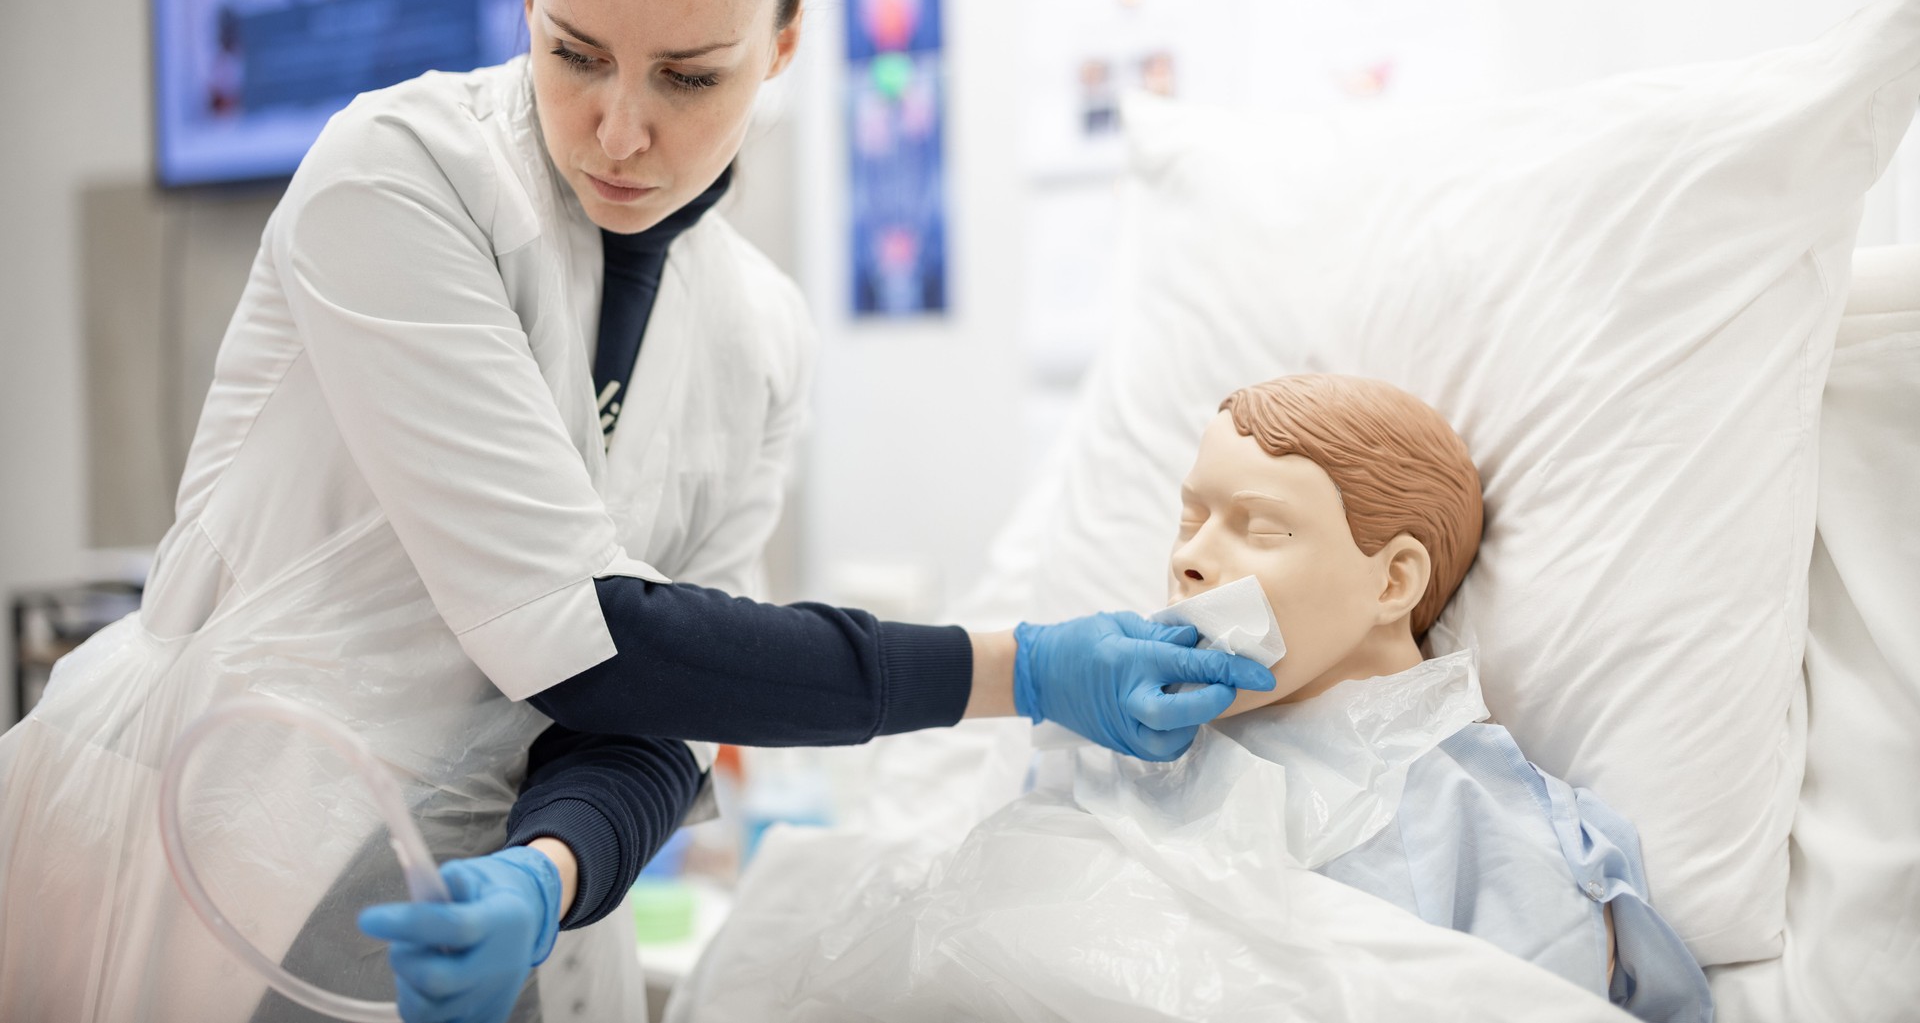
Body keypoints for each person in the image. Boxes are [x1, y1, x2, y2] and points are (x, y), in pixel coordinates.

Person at [0, 0, 1275, 1022]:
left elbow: (667, 702)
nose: (619, 129)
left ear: (778, 49)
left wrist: (550, 873)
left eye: (687, 75)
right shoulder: (398, 177)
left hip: (499, 909)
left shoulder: (759, 334)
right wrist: (1021, 670)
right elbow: (593, 641)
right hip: (206, 845)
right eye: (575, 52)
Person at [659, 375, 1714, 1022]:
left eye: (1257, 527)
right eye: (1190, 520)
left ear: (1392, 582)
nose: (1194, 565)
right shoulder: (1118, 747)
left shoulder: (1483, 821)